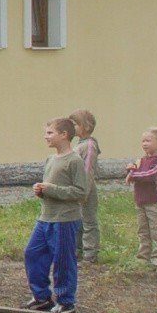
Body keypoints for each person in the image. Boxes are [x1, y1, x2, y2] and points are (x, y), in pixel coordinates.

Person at [24, 115, 88, 313]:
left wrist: (51, 189)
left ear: (64, 134)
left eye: (50, 132)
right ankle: (42, 296)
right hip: (45, 218)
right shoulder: (50, 159)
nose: (46, 137)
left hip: (65, 220)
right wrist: (41, 191)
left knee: (63, 261)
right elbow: (51, 189)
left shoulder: (74, 160)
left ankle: (66, 301)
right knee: (32, 253)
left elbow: (80, 192)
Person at [125, 127, 157, 269]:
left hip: (154, 202)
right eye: (143, 141)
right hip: (140, 201)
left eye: (148, 140)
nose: (144, 143)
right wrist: (131, 169)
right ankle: (143, 257)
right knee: (143, 231)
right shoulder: (141, 160)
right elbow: (135, 172)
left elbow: (151, 174)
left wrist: (133, 174)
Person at [69, 109, 101, 263]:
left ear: (85, 126)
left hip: (85, 189)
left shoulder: (89, 146)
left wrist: (84, 192)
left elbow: (88, 170)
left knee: (88, 221)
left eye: (75, 124)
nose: (72, 127)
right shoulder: (78, 145)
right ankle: (77, 250)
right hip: (76, 188)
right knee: (77, 220)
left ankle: (90, 253)